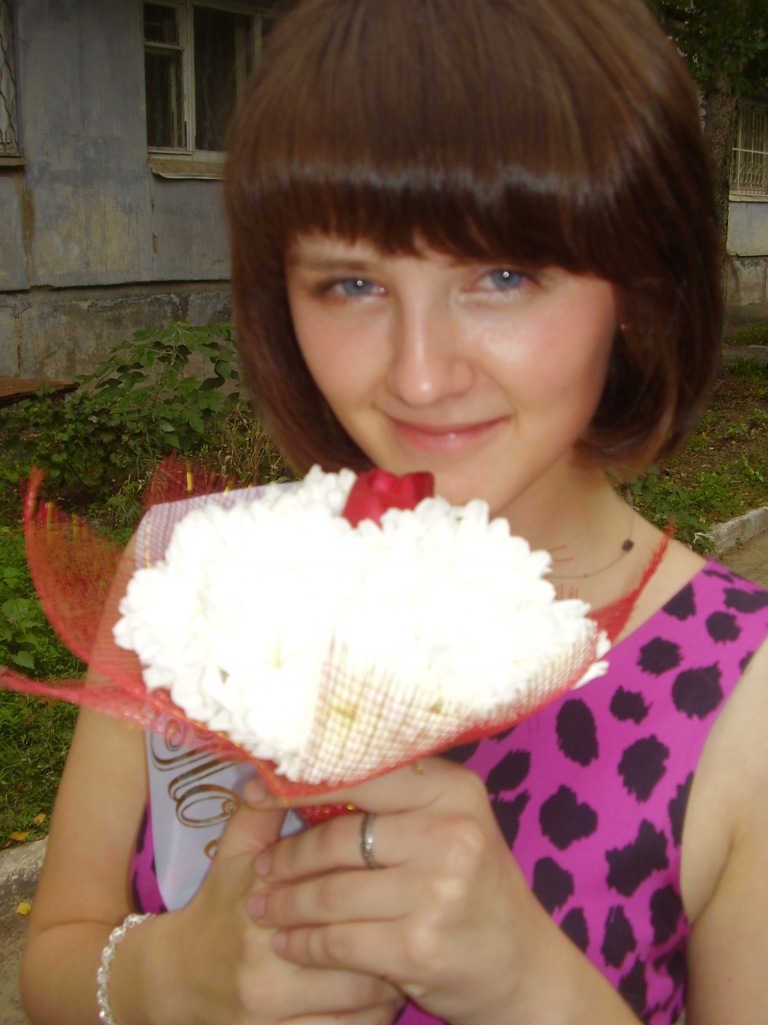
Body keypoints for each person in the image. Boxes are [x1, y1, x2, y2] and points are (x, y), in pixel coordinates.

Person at [19, 0, 768, 1023]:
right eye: (352, 284)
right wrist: (171, 976)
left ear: (640, 284)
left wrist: (532, 987)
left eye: (504, 274)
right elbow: (56, 954)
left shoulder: (738, 695)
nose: (419, 375)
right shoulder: (193, 584)